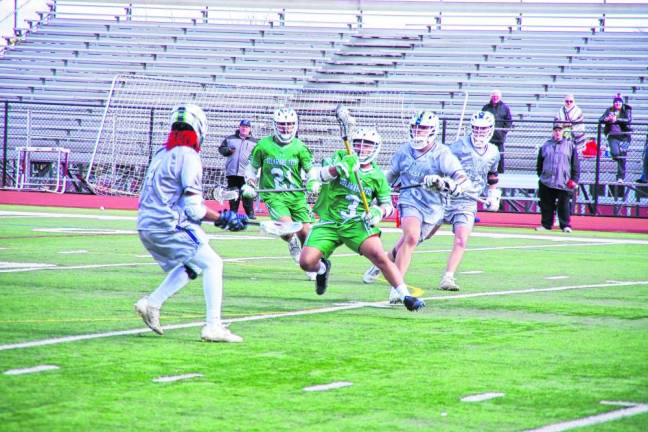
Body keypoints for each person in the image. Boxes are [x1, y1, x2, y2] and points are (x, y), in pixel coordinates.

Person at [134, 104, 248, 343]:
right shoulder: (189, 156)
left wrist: (219, 219)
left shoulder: (160, 152)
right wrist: (223, 218)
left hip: (145, 224)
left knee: (193, 265)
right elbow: (193, 208)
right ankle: (213, 326)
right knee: (214, 264)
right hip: (167, 224)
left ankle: (152, 303)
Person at [298, 126, 425, 311]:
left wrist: (377, 212)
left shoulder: (377, 176)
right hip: (330, 221)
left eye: (367, 145)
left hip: (356, 223)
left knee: (380, 257)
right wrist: (337, 169)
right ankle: (322, 269)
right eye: (358, 144)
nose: (361, 148)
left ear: (375, 148)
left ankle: (405, 295)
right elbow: (318, 174)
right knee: (306, 262)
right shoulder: (341, 157)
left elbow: (387, 204)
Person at [361, 110, 471, 301]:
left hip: (435, 207)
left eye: (423, 128)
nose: (418, 131)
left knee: (410, 242)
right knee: (410, 237)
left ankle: (384, 261)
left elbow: (462, 179)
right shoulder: (404, 151)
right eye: (416, 127)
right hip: (410, 200)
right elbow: (388, 178)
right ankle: (398, 287)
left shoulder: (441, 153)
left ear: (432, 130)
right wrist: (374, 195)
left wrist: (445, 183)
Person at [242, 107, 317, 280]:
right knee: (287, 228)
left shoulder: (300, 147)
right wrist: (250, 183)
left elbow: (310, 169)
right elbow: (251, 169)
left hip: (296, 196)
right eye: (282, 125)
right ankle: (291, 242)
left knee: (306, 233)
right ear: (275, 125)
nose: (286, 128)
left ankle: (309, 263)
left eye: (289, 124)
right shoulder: (263, 145)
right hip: (274, 196)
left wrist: (312, 181)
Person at [439, 111, 501, 291]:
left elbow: (492, 175)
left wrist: (492, 194)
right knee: (420, 236)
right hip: (447, 198)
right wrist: (449, 182)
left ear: (490, 129)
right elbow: (443, 167)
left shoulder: (494, 152)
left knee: (461, 240)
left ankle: (448, 277)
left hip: (468, 201)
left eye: (483, 129)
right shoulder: (458, 146)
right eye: (476, 128)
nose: (479, 132)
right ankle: (387, 260)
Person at [535, 124, 580, 233]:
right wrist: (542, 175)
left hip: (564, 182)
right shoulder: (546, 145)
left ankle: (565, 225)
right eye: (555, 130)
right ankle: (546, 225)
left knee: (563, 205)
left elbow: (575, 165)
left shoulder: (570, 146)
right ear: (552, 132)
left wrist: (574, 179)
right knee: (546, 204)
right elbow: (539, 163)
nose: (557, 132)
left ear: (563, 132)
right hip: (547, 181)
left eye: (559, 130)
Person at [218, 119, 258, 219]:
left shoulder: (255, 142)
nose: (244, 128)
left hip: (247, 173)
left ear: (250, 129)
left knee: (247, 194)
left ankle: (250, 213)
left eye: (247, 127)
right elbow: (221, 149)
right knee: (233, 194)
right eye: (243, 126)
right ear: (239, 127)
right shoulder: (230, 138)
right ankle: (233, 213)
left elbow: (258, 155)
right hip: (232, 172)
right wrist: (227, 150)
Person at [599, 94, 632, 182]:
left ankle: (620, 177)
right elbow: (600, 119)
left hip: (625, 136)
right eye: (616, 102)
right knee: (616, 153)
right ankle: (616, 158)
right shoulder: (609, 110)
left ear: (622, 103)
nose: (617, 104)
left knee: (623, 155)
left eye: (619, 102)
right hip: (613, 136)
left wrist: (616, 120)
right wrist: (606, 119)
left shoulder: (626, 110)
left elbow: (627, 120)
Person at [482, 89, 512, 173]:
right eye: (494, 96)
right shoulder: (486, 107)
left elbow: (509, 121)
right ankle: (487, 171)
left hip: (499, 136)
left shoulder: (505, 108)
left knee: (500, 154)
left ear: (500, 97)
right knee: (487, 154)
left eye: (497, 96)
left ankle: (500, 172)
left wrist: (503, 132)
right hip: (488, 136)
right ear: (491, 97)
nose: (495, 98)